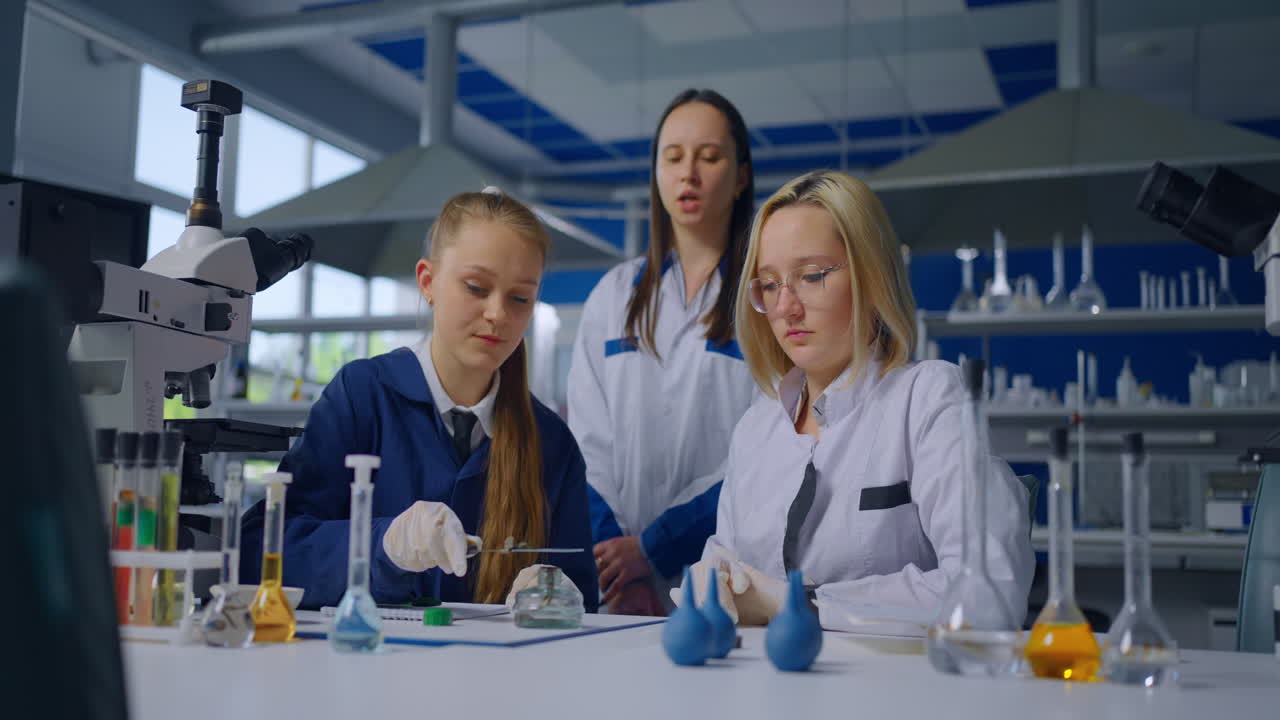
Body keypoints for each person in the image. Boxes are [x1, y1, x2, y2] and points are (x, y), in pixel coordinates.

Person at [678, 170, 1034, 627]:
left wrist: (798, 604)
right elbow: (727, 572)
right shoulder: (756, 428)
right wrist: (713, 582)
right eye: (769, 285)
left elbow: (989, 592)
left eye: (810, 276)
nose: (786, 307)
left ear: (871, 275)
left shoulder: (925, 400)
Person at [241, 189, 597, 611]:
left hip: (500, 674)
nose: (499, 314)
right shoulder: (363, 396)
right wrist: (385, 546)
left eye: (520, 298)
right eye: (477, 287)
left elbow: (581, 595)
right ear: (427, 282)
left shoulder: (550, 442)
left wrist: (556, 597)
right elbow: (261, 555)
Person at [568, 89, 758, 614]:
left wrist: (652, 551)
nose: (688, 173)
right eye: (673, 157)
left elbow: (766, 455)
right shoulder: (614, 294)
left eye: (710, 156)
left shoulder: (765, 296)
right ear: (655, 172)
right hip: (618, 584)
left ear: (741, 175)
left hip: (725, 574)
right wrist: (618, 565)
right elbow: (586, 443)